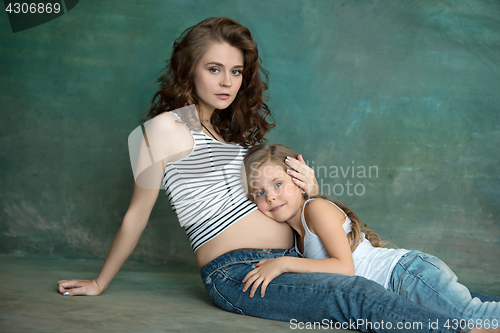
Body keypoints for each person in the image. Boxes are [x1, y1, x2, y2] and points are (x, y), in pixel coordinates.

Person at [56, 17, 492, 333]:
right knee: (356, 297)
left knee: (426, 294)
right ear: (189, 68)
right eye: (214, 68)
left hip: (296, 258)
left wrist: (312, 193)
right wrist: (99, 281)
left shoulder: (234, 137)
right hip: (238, 273)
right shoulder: (162, 130)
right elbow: (137, 214)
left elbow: (277, 206)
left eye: (235, 71)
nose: (227, 81)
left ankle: (478, 323)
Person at [242, 143, 500, 327]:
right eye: (260, 193)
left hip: (406, 275)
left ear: (299, 181)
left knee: (475, 318)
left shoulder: (315, 209)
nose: (271, 196)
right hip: (396, 290)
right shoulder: (295, 234)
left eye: (277, 184)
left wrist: (283, 264)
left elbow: (344, 268)